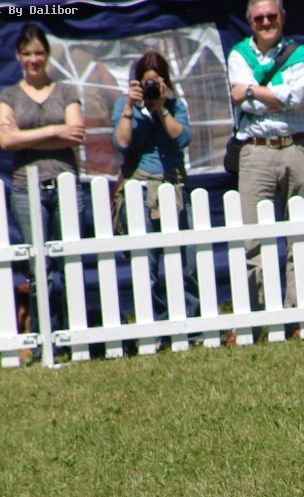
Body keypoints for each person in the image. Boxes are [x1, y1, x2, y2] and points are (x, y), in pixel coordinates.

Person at [227, 0, 304, 308]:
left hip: (297, 147)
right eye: (259, 18)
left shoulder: (302, 54)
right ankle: (260, 314)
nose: (266, 22)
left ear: (282, 17)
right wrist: (285, 97)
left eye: (271, 16)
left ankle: (298, 313)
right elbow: (259, 102)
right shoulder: (238, 55)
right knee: (254, 238)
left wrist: (252, 89)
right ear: (250, 21)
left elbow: (298, 96)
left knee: (300, 235)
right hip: (256, 150)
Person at [0, 23, 85, 335]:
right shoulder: (9, 96)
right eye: (27, 53)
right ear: (18, 56)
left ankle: (76, 332)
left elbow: (76, 134)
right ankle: (45, 335)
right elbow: (6, 140)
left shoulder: (66, 91)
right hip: (25, 187)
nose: (33, 59)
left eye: (38, 53)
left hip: (65, 183)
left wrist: (26, 136)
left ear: (47, 55)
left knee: (70, 261)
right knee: (38, 266)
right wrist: (55, 130)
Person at [111, 51, 199, 321]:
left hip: (172, 186)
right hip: (138, 187)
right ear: (137, 82)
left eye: (156, 82)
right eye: (146, 82)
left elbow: (182, 138)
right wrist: (130, 107)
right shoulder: (125, 105)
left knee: (185, 261)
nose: (151, 87)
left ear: (165, 82)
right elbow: (121, 143)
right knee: (144, 261)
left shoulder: (175, 105)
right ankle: (154, 325)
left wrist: (161, 107)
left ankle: (190, 324)